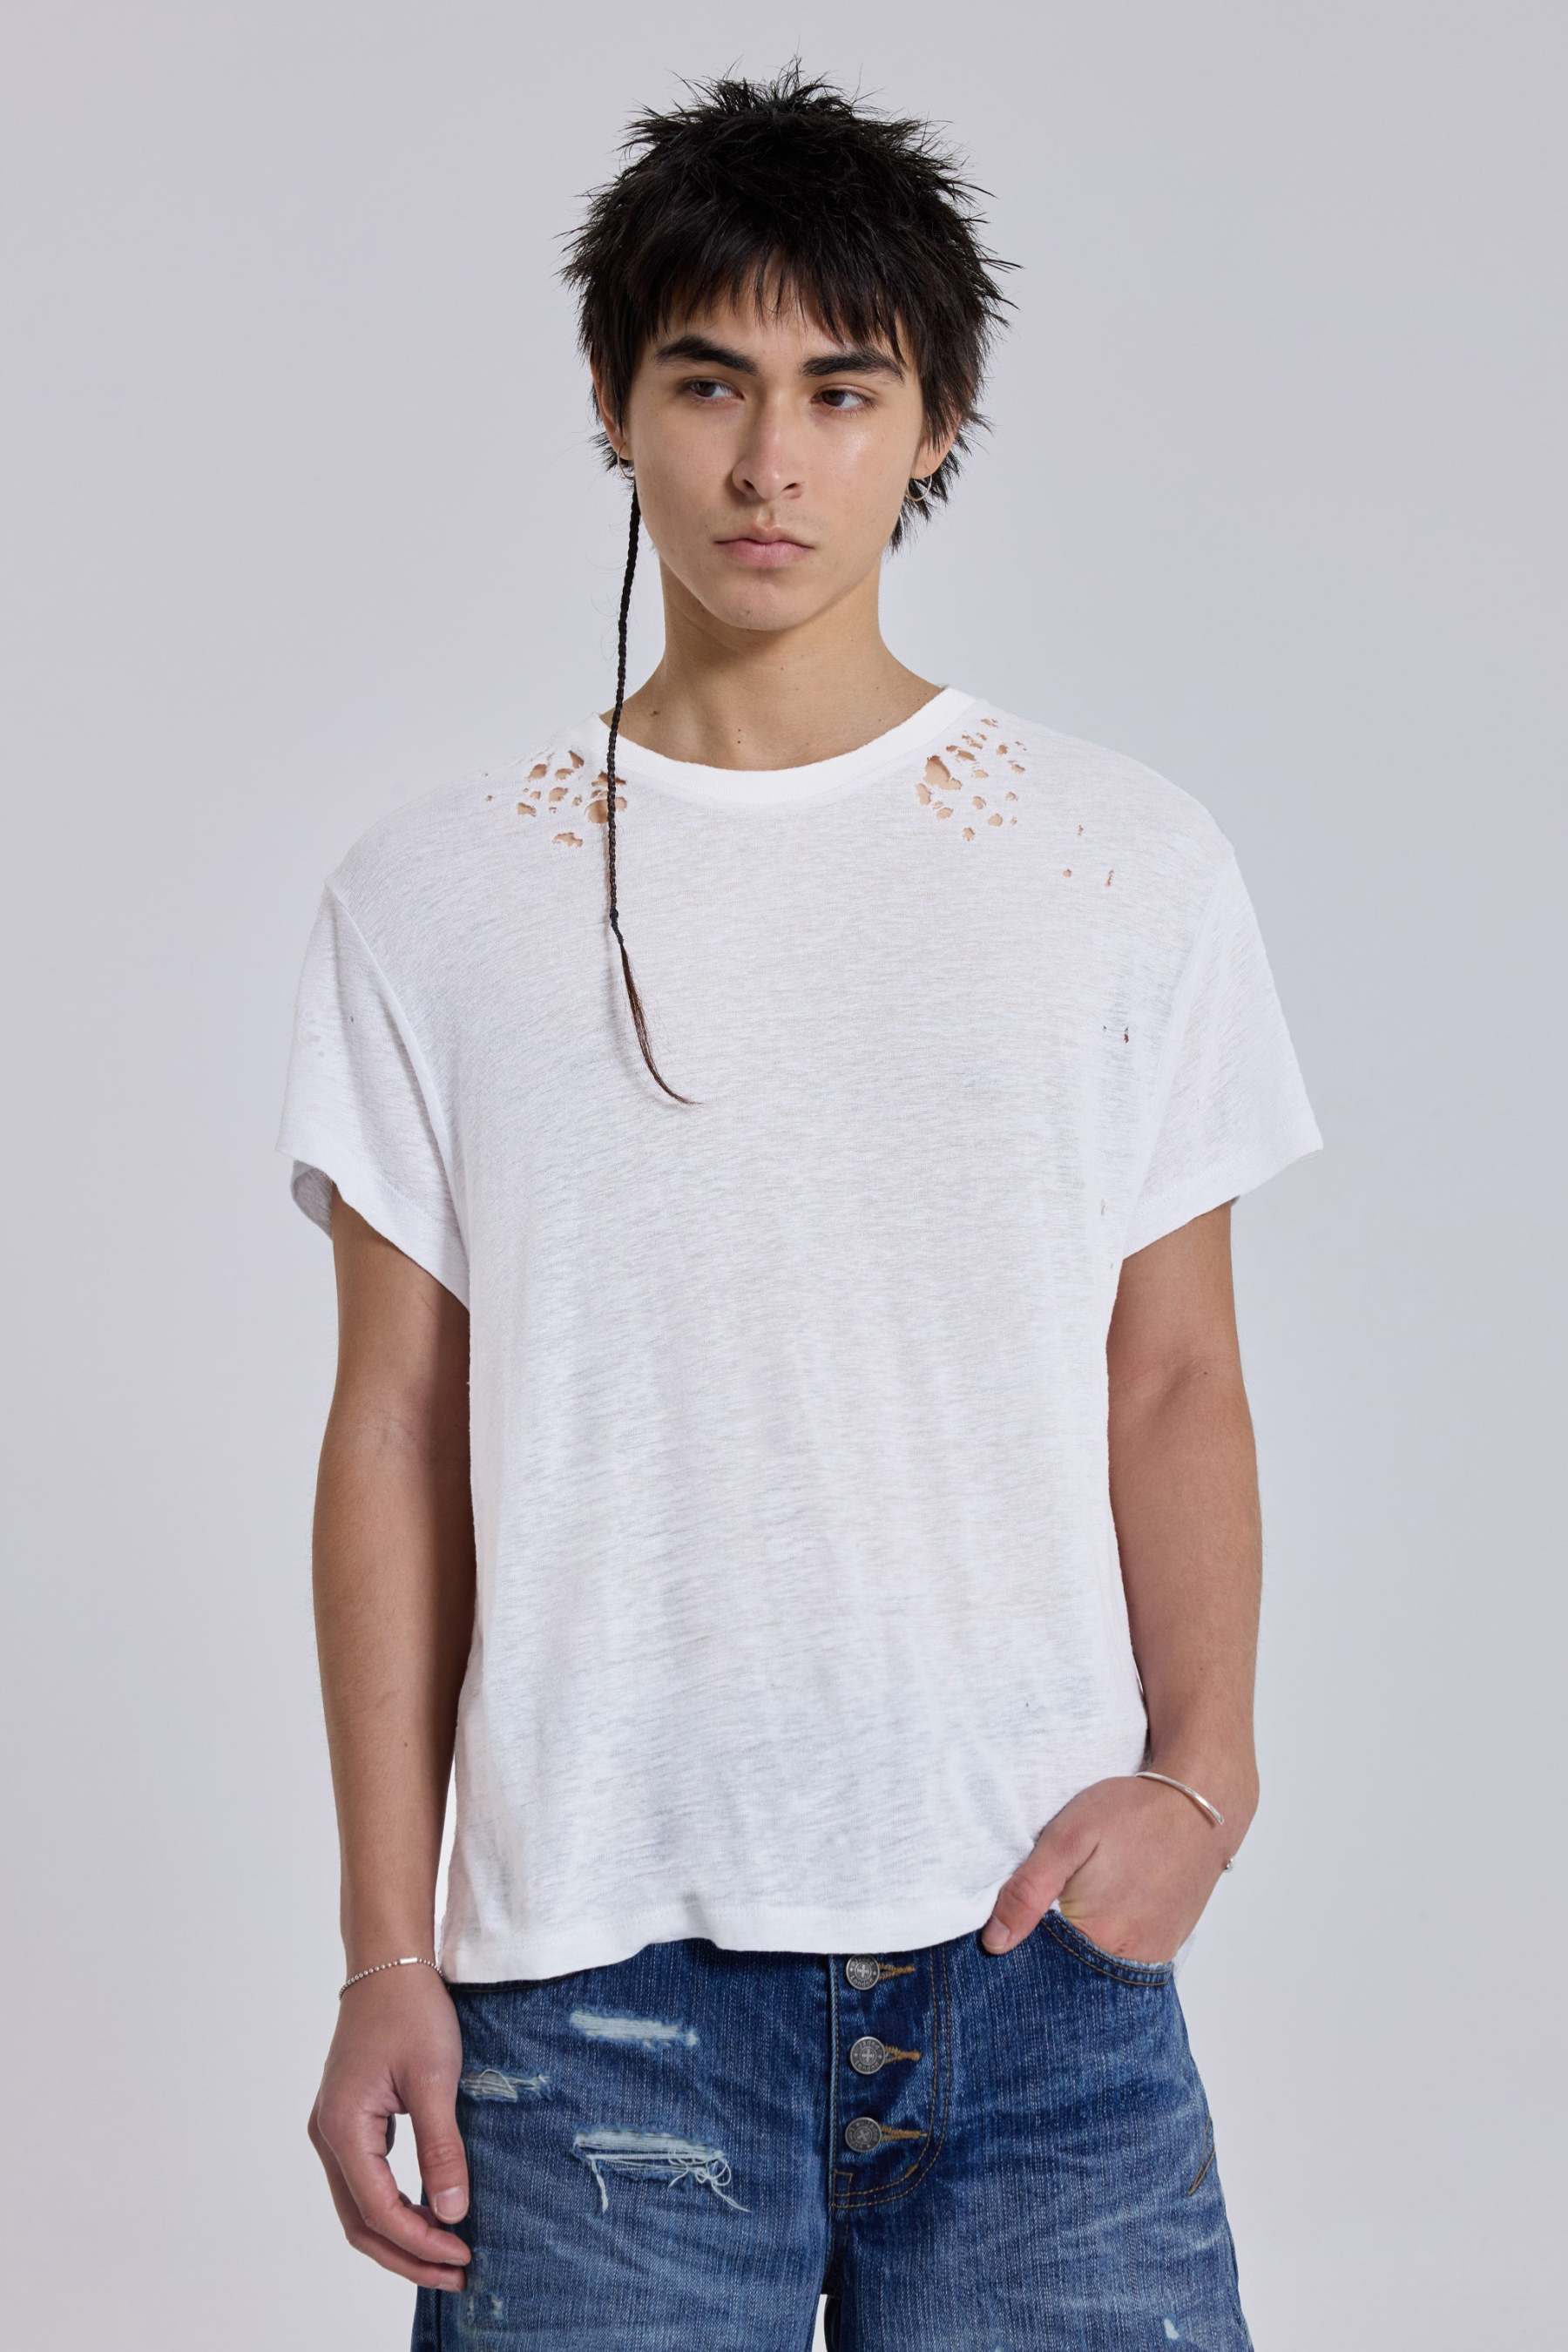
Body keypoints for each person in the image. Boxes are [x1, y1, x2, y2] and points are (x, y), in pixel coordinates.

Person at [275, 59, 1323, 2350]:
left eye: (842, 392)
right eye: (708, 382)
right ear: (612, 403)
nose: (772, 461)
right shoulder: (437, 893)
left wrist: (1206, 1782)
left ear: (934, 423)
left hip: (1042, 1966)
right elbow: (397, 1430)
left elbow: (1173, 1372)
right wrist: (382, 1946)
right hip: (590, 1993)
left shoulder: (1119, 862)